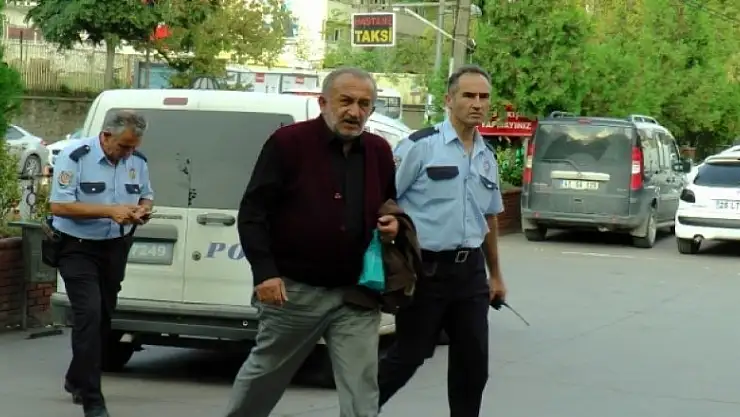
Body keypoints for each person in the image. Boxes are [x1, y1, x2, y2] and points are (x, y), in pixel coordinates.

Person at [223, 67, 399, 417]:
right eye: (346, 101)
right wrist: (265, 273)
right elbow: (253, 213)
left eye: (364, 104)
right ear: (323, 102)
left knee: (362, 386)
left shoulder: (378, 151)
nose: (355, 111)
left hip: (357, 293)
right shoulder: (288, 144)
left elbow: (389, 204)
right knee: (266, 376)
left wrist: (393, 223)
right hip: (295, 291)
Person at [377, 65, 508, 417]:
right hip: (426, 270)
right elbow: (385, 199)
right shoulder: (420, 147)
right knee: (409, 355)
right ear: (449, 100)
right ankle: (360, 410)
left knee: (473, 364)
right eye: (468, 95)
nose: (477, 103)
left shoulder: (486, 155)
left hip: (470, 274)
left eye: (483, 97)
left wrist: (496, 275)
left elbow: (489, 218)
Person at [50, 111, 153, 417]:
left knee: (103, 318)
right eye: (123, 146)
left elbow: (146, 196)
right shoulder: (76, 156)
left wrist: (142, 210)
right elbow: (59, 205)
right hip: (77, 247)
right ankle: (93, 400)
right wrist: (109, 211)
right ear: (106, 136)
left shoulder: (137, 161)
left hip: (115, 247)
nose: (128, 153)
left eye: (133, 147)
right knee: (90, 314)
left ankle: (76, 377)